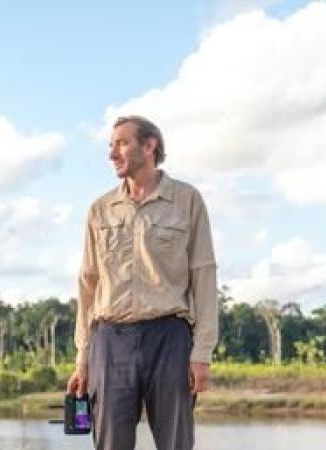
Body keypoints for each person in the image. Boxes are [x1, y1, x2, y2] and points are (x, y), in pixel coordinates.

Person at [67, 116, 218, 450]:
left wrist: (202, 352)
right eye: (111, 145)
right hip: (110, 340)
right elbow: (87, 284)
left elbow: (204, 276)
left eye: (121, 143)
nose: (112, 153)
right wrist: (83, 358)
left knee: (176, 443)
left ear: (149, 146)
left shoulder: (186, 200)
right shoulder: (100, 209)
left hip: (170, 338)